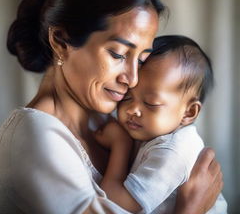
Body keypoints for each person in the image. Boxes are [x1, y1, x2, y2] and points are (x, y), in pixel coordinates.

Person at [0, 0, 223, 214]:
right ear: (60, 41)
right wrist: (190, 209)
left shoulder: (109, 120)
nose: (133, 79)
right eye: (118, 54)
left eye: (142, 60)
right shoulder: (34, 137)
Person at [94, 35, 228, 214]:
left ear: (189, 112)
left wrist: (120, 144)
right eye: (127, 97)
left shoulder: (173, 152)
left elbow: (114, 204)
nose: (132, 109)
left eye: (151, 103)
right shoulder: (150, 132)